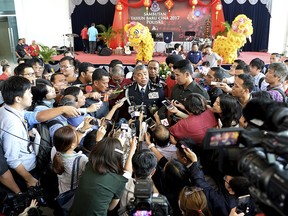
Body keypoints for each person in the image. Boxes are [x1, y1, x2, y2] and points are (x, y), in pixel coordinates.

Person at [0, 76, 81, 191]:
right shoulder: (13, 124)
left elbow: (36, 117)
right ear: (18, 99)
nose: (32, 95)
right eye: (28, 93)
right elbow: (12, 159)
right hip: (25, 170)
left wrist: (63, 109)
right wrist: (29, 179)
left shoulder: (5, 109)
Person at [69, 137, 137, 215]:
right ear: (118, 156)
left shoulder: (89, 165)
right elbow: (110, 208)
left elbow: (101, 151)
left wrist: (111, 147)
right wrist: (132, 150)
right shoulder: (119, 180)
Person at [51, 126, 89, 194]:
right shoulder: (81, 160)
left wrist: (83, 129)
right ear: (72, 145)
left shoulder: (54, 150)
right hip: (72, 196)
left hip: (62, 192)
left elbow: (71, 144)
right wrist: (99, 140)